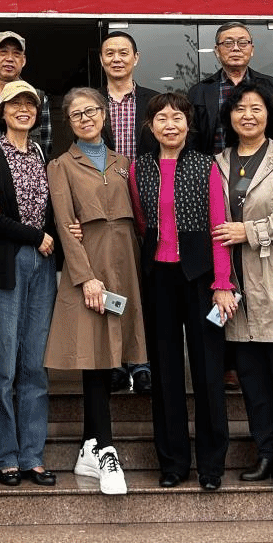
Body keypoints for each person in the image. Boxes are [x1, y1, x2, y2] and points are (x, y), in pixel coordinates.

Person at [129, 92, 235, 491]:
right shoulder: (139, 169)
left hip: (201, 276)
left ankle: (211, 465)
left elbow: (220, 228)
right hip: (158, 277)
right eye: (161, 118)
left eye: (177, 117)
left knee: (208, 372)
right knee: (165, 372)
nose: (169, 124)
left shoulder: (207, 166)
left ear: (188, 125)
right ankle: (172, 462)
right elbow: (141, 223)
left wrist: (222, 284)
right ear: (150, 126)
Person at [45, 88, 146, 496]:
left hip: (126, 263)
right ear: (68, 123)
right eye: (77, 114)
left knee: (114, 353)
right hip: (89, 266)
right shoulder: (60, 166)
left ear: (104, 115)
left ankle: (89, 446)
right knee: (94, 354)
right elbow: (64, 223)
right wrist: (85, 276)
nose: (86, 118)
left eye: (91, 111)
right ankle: (105, 449)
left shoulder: (125, 164)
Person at [211, 80, 273, 491]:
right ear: (229, 117)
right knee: (251, 376)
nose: (247, 115)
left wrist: (249, 230)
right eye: (240, 109)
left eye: (256, 108)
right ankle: (265, 451)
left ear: (269, 115)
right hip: (236, 285)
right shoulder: (218, 162)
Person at [0, 79, 58, 487]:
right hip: (8, 264)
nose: (23, 109)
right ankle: (6, 454)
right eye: (14, 103)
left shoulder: (42, 155)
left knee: (34, 366)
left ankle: (32, 456)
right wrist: (34, 235)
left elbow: (51, 209)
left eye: (30, 103)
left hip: (43, 266)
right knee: (4, 366)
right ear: (1, 112)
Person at [97, 29, 156, 395]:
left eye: (123, 52)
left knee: (147, 285)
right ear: (101, 60)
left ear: (136, 58)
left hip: (150, 205)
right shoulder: (90, 102)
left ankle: (143, 362)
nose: (117, 58)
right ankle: (116, 362)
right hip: (105, 207)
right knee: (111, 283)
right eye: (110, 53)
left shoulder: (153, 102)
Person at [188, 21, 273, 155]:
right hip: (213, 166)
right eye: (228, 43)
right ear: (217, 50)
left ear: (252, 49)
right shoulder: (199, 92)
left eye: (242, 43)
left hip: (265, 166)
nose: (236, 48)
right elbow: (191, 142)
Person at [0, 31, 52, 154]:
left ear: (23, 61)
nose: (10, 59)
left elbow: (45, 151)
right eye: (3, 52)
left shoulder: (38, 98)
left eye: (16, 54)